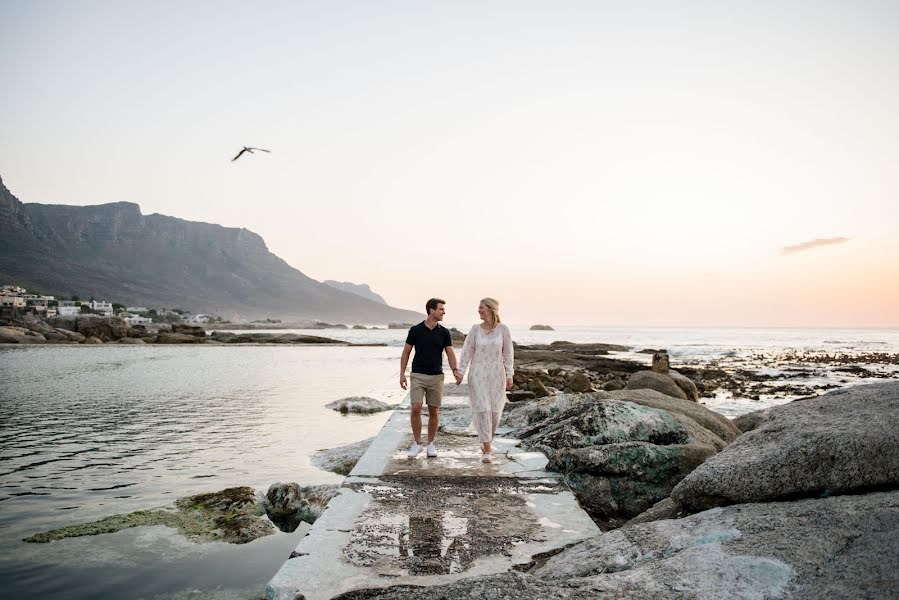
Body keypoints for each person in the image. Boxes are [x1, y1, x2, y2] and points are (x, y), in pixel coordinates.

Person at [456, 297, 513, 463]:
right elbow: (467, 351)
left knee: (495, 411)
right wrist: (460, 372)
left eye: (481, 308)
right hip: (478, 372)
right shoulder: (475, 330)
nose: (479, 311)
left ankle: (487, 441)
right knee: (483, 409)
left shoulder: (503, 329)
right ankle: (487, 448)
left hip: (497, 373)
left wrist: (510, 374)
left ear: (490, 309)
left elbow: (508, 354)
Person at [400, 298, 459, 458]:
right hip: (417, 374)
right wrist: (402, 374)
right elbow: (406, 352)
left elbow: (450, 353)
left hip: (436, 376)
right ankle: (417, 443)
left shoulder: (444, 332)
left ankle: (431, 444)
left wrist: (455, 370)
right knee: (416, 408)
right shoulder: (415, 330)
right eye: (441, 309)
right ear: (431, 310)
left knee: (434, 410)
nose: (443, 312)